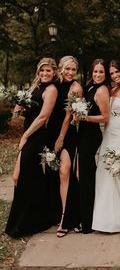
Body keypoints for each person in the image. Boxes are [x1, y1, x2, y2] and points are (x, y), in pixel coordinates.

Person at [5, 58, 58, 238]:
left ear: (54, 73)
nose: (44, 74)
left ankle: (26, 223)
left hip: (36, 137)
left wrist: (26, 136)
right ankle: (34, 218)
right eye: (42, 71)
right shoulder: (34, 87)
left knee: (24, 177)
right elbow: (26, 112)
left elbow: (43, 117)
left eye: (48, 71)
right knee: (23, 177)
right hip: (28, 133)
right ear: (38, 71)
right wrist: (20, 109)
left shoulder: (51, 90)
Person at [92, 60, 120, 232]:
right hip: (108, 135)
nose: (115, 76)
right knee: (103, 174)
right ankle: (103, 219)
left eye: (117, 72)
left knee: (118, 176)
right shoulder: (112, 89)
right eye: (112, 74)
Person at [46, 55, 83, 237]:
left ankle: (65, 218)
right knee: (54, 173)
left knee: (64, 171)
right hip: (50, 133)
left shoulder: (76, 88)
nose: (70, 72)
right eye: (67, 69)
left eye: (73, 70)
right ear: (60, 68)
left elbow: (68, 116)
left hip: (67, 135)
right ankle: (56, 213)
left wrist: (61, 138)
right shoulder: (53, 84)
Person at [77, 58, 110, 234]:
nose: (97, 75)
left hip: (91, 136)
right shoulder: (90, 86)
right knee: (83, 174)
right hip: (83, 134)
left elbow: (105, 117)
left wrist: (85, 118)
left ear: (105, 75)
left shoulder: (102, 90)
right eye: (95, 71)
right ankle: (84, 216)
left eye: (101, 72)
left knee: (87, 177)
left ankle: (87, 222)